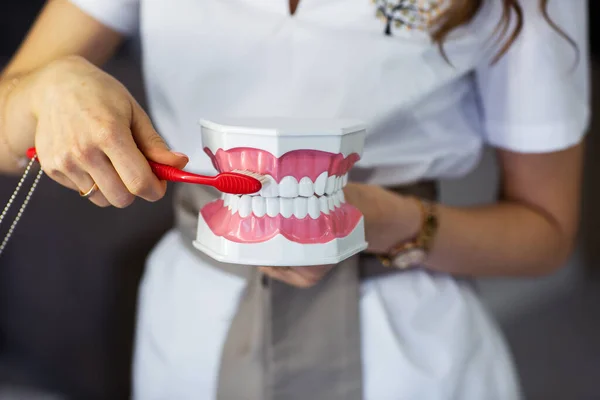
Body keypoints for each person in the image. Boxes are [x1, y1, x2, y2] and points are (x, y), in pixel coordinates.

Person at [0, 0, 589, 399]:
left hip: (403, 347)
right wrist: (46, 88)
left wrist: (385, 221)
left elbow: (546, 234)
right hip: (191, 330)